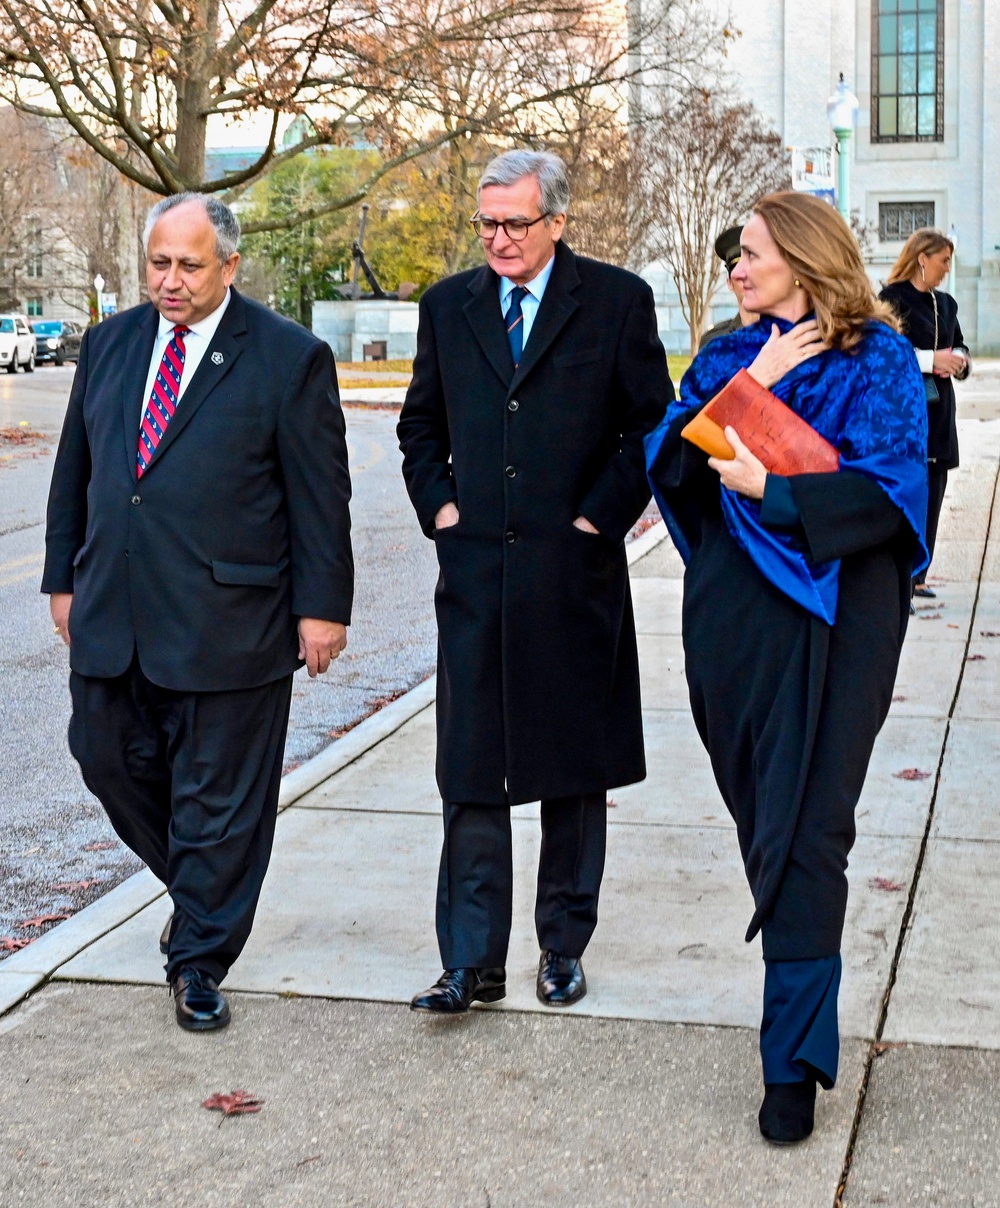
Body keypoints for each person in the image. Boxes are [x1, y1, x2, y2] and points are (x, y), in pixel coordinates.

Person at [645, 192, 928, 1144]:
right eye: (733, 252)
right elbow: (672, 470)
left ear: (805, 262)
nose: (735, 264)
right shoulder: (729, 354)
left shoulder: (878, 358)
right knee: (767, 818)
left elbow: (894, 492)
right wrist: (750, 385)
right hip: (734, 621)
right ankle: (795, 1026)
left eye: (751, 252)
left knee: (812, 828)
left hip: (844, 614)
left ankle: (792, 1063)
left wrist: (783, 490)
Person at [42, 193, 354, 1032]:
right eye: (158, 263)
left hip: (234, 620)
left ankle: (200, 958)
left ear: (229, 267)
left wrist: (323, 608)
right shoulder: (109, 345)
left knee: (221, 798)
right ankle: (205, 889)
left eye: (188, 265)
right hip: (114, 607)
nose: (169, 281)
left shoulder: (289, 358)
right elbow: (78, 469)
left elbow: (320, 498)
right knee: (103, 753)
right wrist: (60, 578)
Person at [398, 149, 670, 1016]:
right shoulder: (448, 307)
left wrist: (600, 515)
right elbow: (420, 426)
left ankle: (561, 946)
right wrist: (441, 509)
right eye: (488, 224)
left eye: (517, 223)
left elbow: (650, 425)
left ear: (556, 220)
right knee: (472, 772)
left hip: (572, 573)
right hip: (475, 573)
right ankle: (470, 960)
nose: (500, 240)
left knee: (570, 770)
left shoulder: (617, 302)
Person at [880, 228, 970, 599]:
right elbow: (886, 352)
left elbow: (960, 345)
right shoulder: (891, 299)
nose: (948, 268)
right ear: (922, 258)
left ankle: (918, 577)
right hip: (906, 416)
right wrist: (932, 360)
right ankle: (897, 578)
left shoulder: (947, 304)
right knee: (906, 499)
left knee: (933, 498)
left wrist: (960, 361)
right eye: (943, 260)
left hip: (940, 416)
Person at [699, 225, 756, 349]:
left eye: (755, 271)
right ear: (729, 282)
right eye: (740, 275)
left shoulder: (788, 334)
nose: (749, 279)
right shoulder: (713, 342)